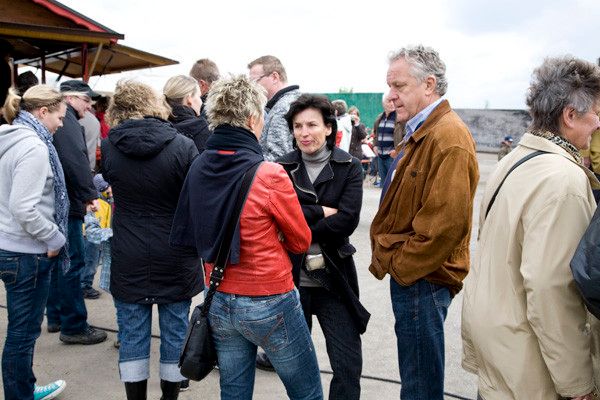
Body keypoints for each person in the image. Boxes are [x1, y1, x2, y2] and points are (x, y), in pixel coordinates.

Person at [170, 75, 323, 400]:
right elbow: (300, 241)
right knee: (306, 391)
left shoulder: (199, 165)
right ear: (253, 118)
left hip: (218, 294)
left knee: (234, 391)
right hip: (269, 297)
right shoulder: (268, 174)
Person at [462, 56, 600, 400]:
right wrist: (577, 382)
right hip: (529, 365)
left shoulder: (513, 161)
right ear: (570, 115)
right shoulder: (564, 180)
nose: (598, 123)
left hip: (500, 347)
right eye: (596, 113)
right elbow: (552, 290)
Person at [369, 45, 479, 400]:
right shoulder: (424, 130)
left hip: (423, 278)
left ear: (429, 84)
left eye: (399, 86)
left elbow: (444, 227)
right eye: (390, 86)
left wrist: (402, 267)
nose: (391, 95)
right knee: (417, 376)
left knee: (420, 385)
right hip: (417, 276)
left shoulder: (448, 137)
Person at [101, 79, 202, 400]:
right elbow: (196, 200)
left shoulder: (110, 147)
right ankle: (170, 397)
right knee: (175, 332)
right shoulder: (183, 146)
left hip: (128, 251)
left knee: (132, 334)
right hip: (175, 252)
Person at [279, 94, 370, 400]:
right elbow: (277, 219)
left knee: (347, 365)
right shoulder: (281, 168)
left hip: (333, 278)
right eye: (298, 126)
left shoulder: (349, 167)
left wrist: (296, 224)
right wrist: (320, 211)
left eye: (312, 125)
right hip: (292, 281)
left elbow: (347, 221)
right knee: (295, 368)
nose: (304, 133)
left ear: (328, 128)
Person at [1, 84, 68, 399]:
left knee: (21, 331)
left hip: (10, 246)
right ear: (43, 112)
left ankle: (24, 389)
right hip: (25, 252)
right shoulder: (34, 146)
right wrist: (54, 237)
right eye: (59, 116)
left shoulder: (9, 138)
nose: (61, 124)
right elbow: (23, 207)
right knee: (22, 334)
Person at [45, 79, 107, 345]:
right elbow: (75, 160)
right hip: (68, 203)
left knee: (57, 262)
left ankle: (56, 317)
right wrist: (89, 194)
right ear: (70, 98)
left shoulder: (64, 119)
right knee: (72, 262)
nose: (89, 105)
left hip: (56, 201)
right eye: (86, 99)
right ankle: (74, 325)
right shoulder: (68, 121)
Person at [248, 55, 301, 161]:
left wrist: (245, 159)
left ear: (274, 77)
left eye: (254, 81)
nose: (251, 87)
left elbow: (279, 158)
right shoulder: (291, 101)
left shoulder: (282, 108)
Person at [80, 173, 113, 299]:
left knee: (94, 261)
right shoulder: (97, 202)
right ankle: (84, 285)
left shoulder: (106, 202)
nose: (110, 190)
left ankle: (86, 283)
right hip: (91, 236)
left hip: (100, 235)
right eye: (107, 187)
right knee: (90, 261)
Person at [163, 74, 211, 153]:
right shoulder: (202, 128)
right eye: (199, 96)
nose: (201, 102)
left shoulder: (158, 125)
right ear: (189, 99)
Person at [372, 94, 403, 187]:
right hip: (381, 157)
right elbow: (375, 134)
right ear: (383, 103)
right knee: (384, 185)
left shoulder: (399, 118)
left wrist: (397, 150)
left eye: (393, 101)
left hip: (392, 157)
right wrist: (375, 145)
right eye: (389, 101)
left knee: (393, 185)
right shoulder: (379, 118)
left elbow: (406, 136)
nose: (392, 103)